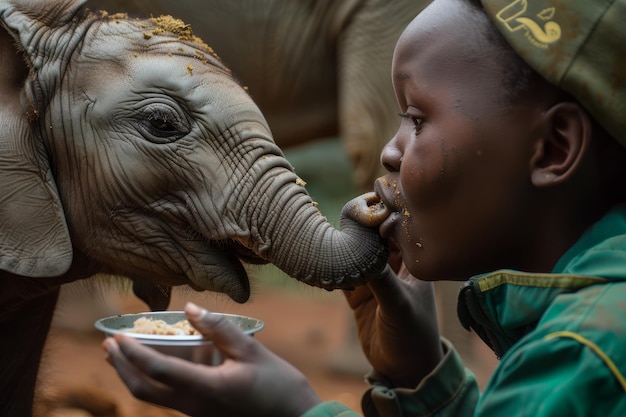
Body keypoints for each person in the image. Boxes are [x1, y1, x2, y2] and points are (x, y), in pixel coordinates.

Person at [103, 0, 626, 415]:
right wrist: (422, 376)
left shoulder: (583, 353)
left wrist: (292, 412)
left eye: (417, 119)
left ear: (555, 147)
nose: (389, 151)